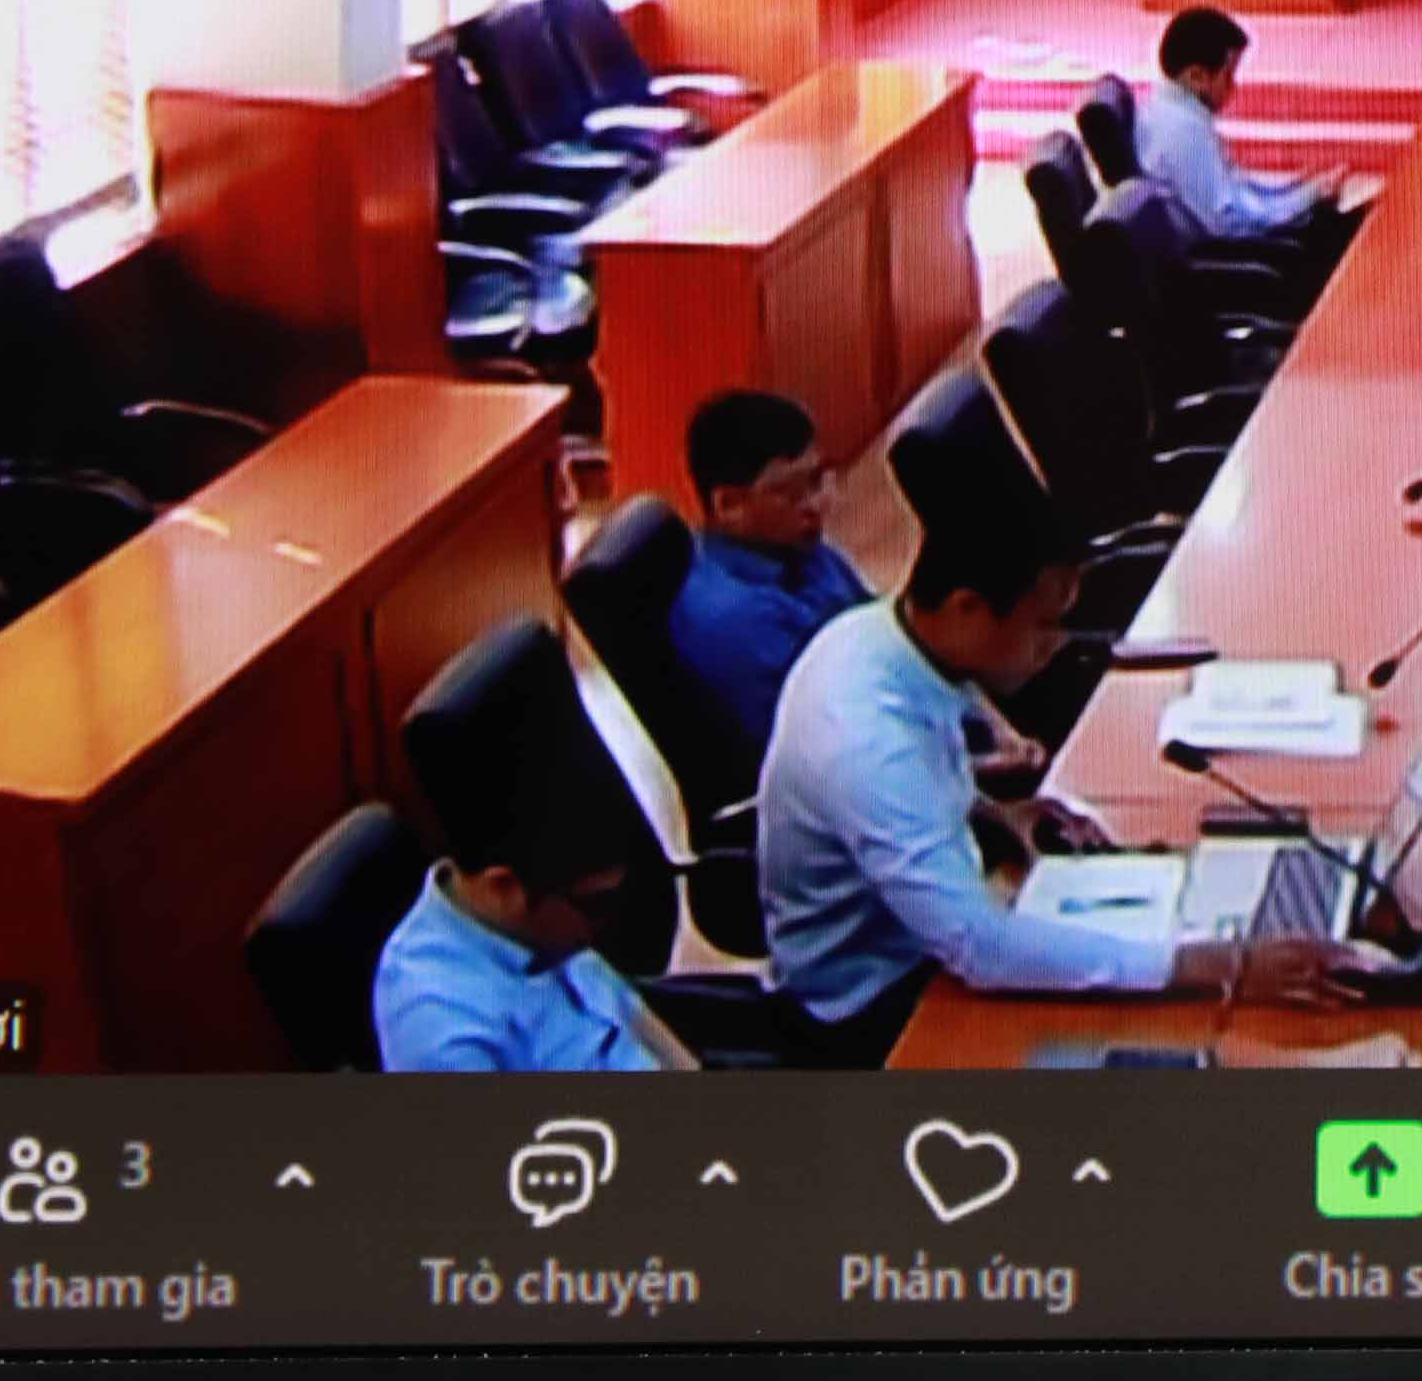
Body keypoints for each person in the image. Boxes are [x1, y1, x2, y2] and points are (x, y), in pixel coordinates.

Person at [753, 501, 1340, 1060]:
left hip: (936, 929)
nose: (1054, 647)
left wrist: (991, 811)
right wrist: (1217, 964)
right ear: (966, 608)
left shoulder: (883, 638)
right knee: (1185, 1036)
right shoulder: (866, 739)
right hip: (878, 1005)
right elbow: (982, 949)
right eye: (1043, 626)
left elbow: (916, 783)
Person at [373, 800, 698, 1075]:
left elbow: (633, 1016)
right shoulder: (446, 1038)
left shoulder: (550, 919)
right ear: (503, 888)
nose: (608, 922)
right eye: (598, 905)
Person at [663, 389, 872, 751]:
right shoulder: (732, 618)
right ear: (729, 504)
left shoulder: (796, 546)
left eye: (817, 480)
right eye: (791, 493)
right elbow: (820, 737)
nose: (816, 505)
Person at [1139, 6, 1356, 256]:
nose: (1233, 87)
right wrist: (1308, 196)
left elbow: (1235, 190)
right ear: (1196, 76)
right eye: (1228, 76)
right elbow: (1228, 221)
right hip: (1218, 255)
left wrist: (1295, 187)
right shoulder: (1183, 131)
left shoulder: (1170, 109)